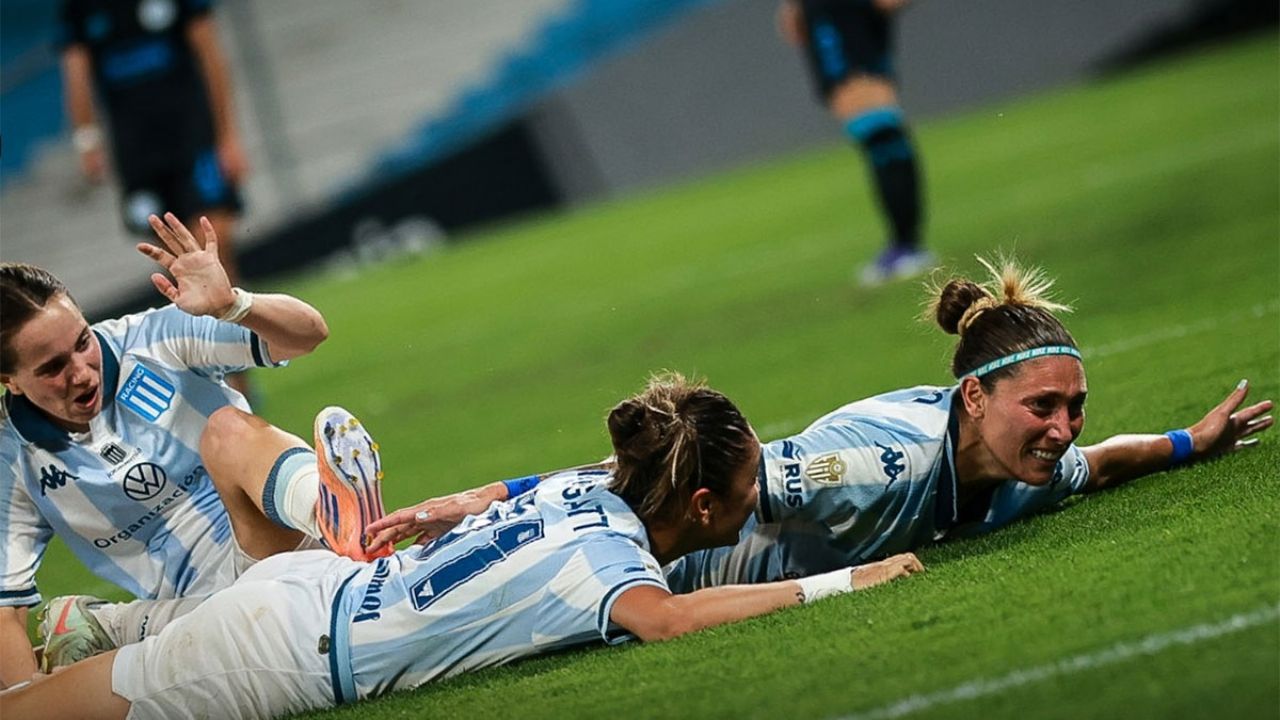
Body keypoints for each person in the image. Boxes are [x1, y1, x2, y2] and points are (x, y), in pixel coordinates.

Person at [0, 374, 925, 719]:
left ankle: (105, 624)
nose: (760, 500)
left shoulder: (588, 491)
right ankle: (113, 628)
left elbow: (533, 486)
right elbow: (670, 621)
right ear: (701, 504)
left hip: (318, 588)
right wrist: (847, 580)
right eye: (750, 487)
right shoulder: (612, 568)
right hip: (289, 653)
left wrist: (471, 500)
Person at [365, 257, 1273, 591]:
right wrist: (493, 496)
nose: (1064, 428)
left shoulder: (1022, 468)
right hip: (650, 567)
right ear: (973, 400)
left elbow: (1104, 464)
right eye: (1043, 407)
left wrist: (1191, 443)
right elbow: (684, 470)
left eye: (1074, 407)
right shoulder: (877, 463)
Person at [0, 213, 344, 686]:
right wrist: (29, 702)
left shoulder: (152, 340)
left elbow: (309, 334)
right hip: (204, 616)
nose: (81, 371)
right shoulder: (12, 462)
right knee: (308, 624)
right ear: (10, 380)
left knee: (228, 429)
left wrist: (234, 304)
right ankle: (120, 629)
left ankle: (337, 516)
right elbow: (4, 613)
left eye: (82, 342)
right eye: (53, 367)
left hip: (278, 538)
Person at [58, 0, 253, 392]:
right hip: (138, 156)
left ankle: (242, 365)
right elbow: (76, 69)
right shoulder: (80, 8)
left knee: (216, 246)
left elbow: (209, 52)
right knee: (177, 269)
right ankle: (215, 375)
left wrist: (228, 136)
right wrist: (86, 139)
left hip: (193, 141)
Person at [778, 0, 931, 285]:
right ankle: (905, 245)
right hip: (832, 20)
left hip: (838, 20)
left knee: (880, 133)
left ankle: (907, 247)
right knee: (881, 135)